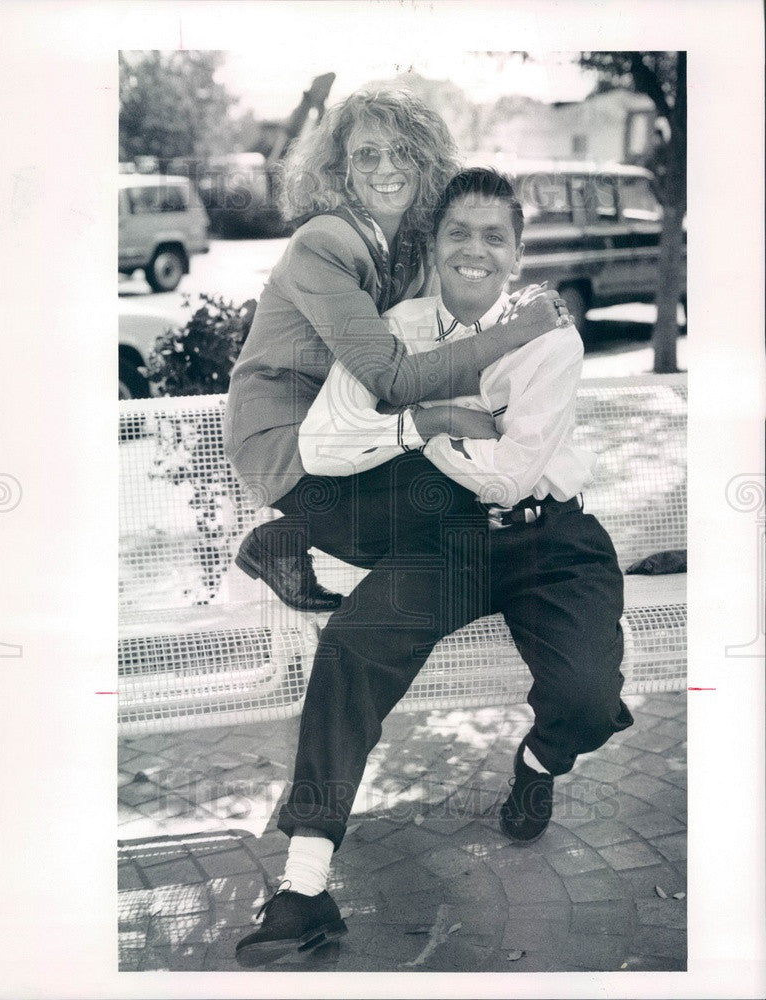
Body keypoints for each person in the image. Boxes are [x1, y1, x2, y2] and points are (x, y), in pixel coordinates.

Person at [233, 168, 633, 966]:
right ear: (436, 245)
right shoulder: (401, 328)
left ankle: (537, 764)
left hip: (552, 538)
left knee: (587, 701)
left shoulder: (548, 331)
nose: (474, 250)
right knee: (351, 648)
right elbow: (323, 446)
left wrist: (408, 430)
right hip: (450, 538)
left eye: (494, 237)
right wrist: (434, 417)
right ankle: (305, 889)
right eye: (459, 233)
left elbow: (514, 475)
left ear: (518, 255)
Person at [223, 90, 567, 612]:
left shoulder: (410, 242)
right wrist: (506, 345)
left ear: (425, 161)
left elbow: (447, 332)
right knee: (449, 512)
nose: (387, 167)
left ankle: (295, 546)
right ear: (340, 167)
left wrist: (519, 310)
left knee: (462, 506)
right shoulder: (324, 244)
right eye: (367, 154)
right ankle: (288, 540)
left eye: (403, 151)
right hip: (289, 439)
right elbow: (393, 378)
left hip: (366, 428)